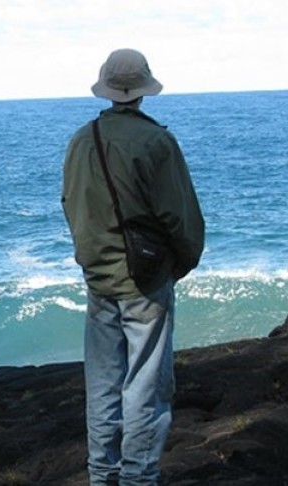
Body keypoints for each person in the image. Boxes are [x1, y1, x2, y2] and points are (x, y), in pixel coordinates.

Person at [60, 48, 205, 486]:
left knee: (103, 384)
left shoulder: (82, 139)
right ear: (143, 90)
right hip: (145, 278)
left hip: (98, 275)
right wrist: (181, 262)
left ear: (107, 88)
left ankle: (101, 475)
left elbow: (71, 204)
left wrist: (90, 257)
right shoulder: (157, 142)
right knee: (146, 385)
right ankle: (139, 478)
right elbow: (180, 217)